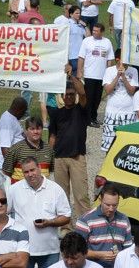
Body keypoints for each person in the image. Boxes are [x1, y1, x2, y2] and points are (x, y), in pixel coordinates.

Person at [7, 157, 71, 268]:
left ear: (39, 168)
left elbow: (66, 216)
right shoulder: (13, 190)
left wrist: (49, 222)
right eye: (26, 172)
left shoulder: (55, 189)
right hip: (23, 250)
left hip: (50, 250)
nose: (30, 174)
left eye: (32, 170)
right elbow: (3, 213)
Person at [48, 73, 91, 225]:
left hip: (77, 157)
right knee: (61, 196)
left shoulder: (82, 110)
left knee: (81, 196)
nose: (69, 97)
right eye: (66, 95)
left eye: (71, 94)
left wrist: (71, 75)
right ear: (62, 96)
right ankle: (65, 227)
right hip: (59, 158)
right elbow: (52, 136)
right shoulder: (56, 113)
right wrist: (48, 157)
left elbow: (83, 92)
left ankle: (85, 226)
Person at [75, 182, 133, 267]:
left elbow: (128, 250)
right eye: (107, 205)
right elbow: (76, 251)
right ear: (100, 200)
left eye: (115, 205)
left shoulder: (124, 220)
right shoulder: (85, 220)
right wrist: (99, 255)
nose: (111, 209)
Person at [78, 23, 115, 127]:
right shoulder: (87, 41)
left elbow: (110, 59)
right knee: (89, 98)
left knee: (97, 98)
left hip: (101, 75)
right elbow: (81, 57)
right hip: (89, 74)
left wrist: (109, 73)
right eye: (93, 30)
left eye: (96, 31)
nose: (94, 32)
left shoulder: (107, 42)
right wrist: (79, 71)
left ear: (101, 32)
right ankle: (87, 119)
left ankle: (94, 117)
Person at [101, 49, 138, 152]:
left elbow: (131, 91)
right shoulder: (109, 71)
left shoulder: (133, 71)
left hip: (129, 112)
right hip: (112, 112)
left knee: (127, 146)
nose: (126, 63)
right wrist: (117, 76)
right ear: (118, 59)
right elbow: (108, 90)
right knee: (109, 145)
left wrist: (124, 77)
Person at [2, 117, 54, 184]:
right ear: (26, 131)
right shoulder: (16, 148)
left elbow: (51, 171)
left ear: (42, 130)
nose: (35, 132)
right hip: (20, 191)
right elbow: (6, 172)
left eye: (38, 129)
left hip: (43, 191)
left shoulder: (49, 149)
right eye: (32, 129)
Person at [0, 97, 26, 168]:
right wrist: (13, 167)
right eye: (24, 112)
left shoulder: (13, 117)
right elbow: (5, 148)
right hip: (5, 168)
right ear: (19, 110)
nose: (24, 114)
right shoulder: (7, 122)